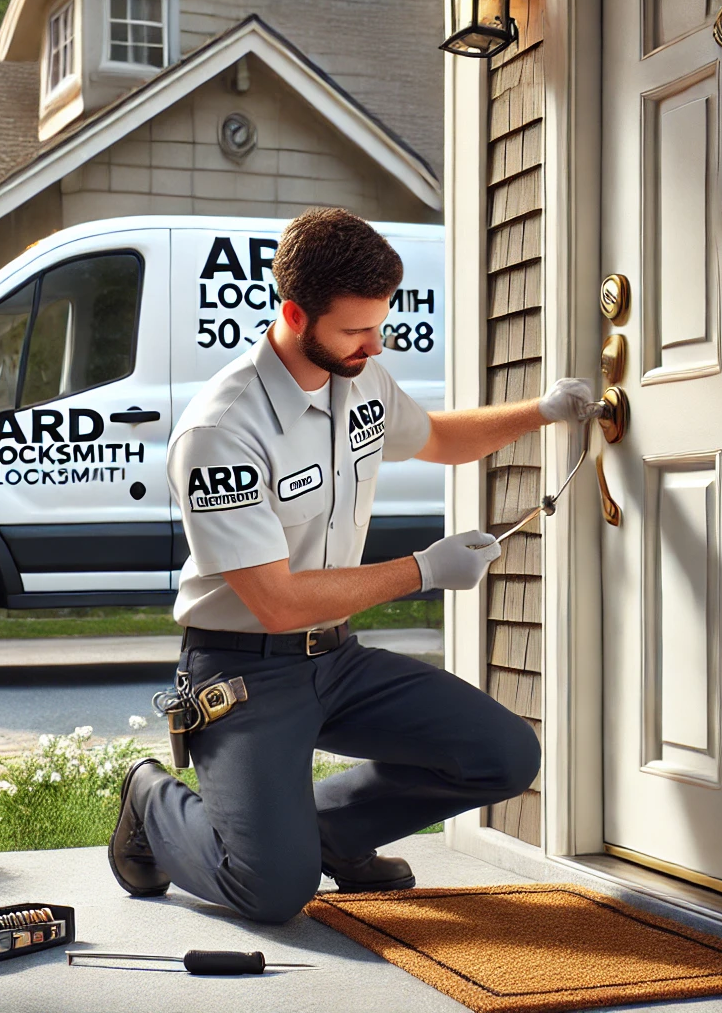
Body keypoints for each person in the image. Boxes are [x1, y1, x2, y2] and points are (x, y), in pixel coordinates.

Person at [108, 208, 592, 923]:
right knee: (271, 891)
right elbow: (274, 601)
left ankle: (326, 836)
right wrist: (423, 571)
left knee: (505, 755)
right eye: (355, 330)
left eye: (380, 324)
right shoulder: (223, 431)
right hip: (245, 672)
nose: (375, 343)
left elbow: (437, 438)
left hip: (336, 662)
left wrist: (544, 411)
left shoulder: (360, 377)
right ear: (296, 314)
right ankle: (150, 800)